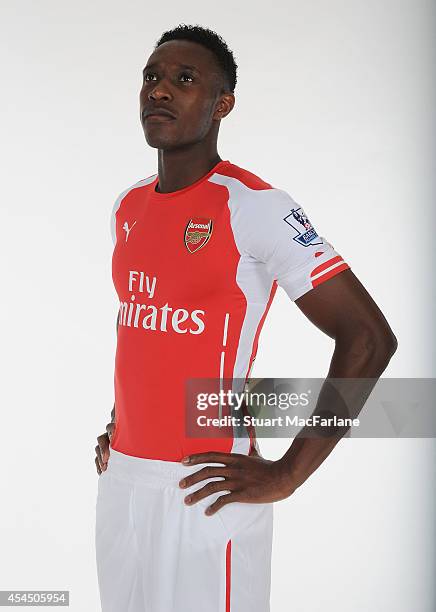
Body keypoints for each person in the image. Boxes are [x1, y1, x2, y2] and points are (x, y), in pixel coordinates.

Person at [94, 23, 397, 612]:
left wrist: (287, 475)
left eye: (184, 80)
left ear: (221, 103)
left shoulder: (254, 206)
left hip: (206, 489)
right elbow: (143, 324)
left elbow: (369, 338)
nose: (159, 91)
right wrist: (121, 422)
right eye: (151, 77)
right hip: (123, 484)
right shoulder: (127, 207)